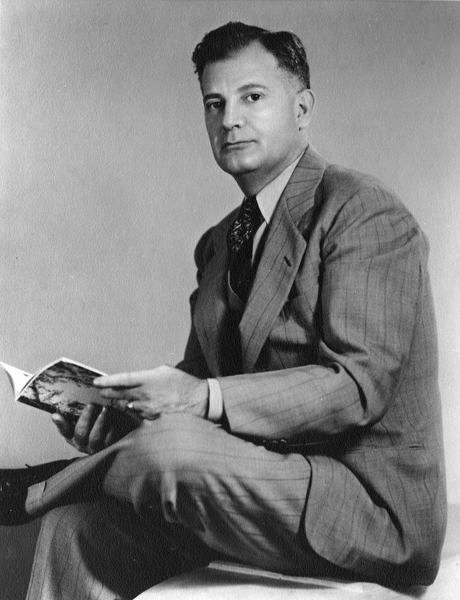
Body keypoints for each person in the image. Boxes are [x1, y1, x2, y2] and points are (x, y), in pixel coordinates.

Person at [0, 21, 447, 600]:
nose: (229, 119)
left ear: (303, 109)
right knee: (75, 530)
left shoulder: (363, 212)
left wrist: (195, 400)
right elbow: (203, 387)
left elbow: (357, 387)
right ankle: (71, 486)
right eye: (214, 104)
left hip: (367, 511)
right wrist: (116, 418)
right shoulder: (219, 242)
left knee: (170, 450)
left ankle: (37, 487)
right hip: (255, 488)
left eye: (252, 97)